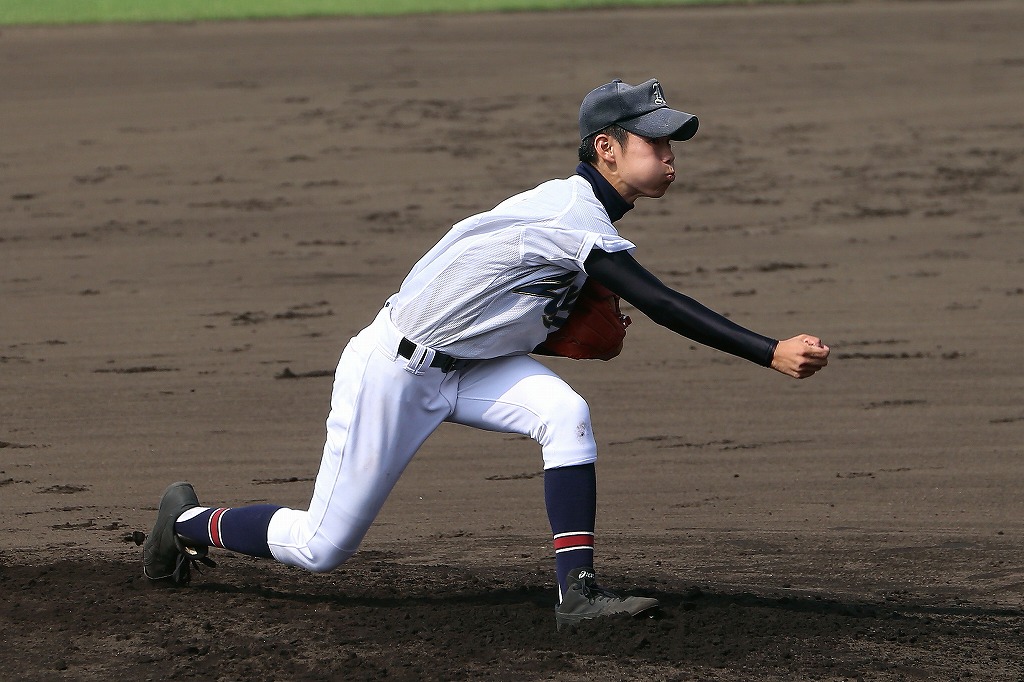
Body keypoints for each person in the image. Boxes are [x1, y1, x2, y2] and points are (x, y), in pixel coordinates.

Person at [143, 78, 829, 630]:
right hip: (394, 372)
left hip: (470, 365)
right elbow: (661, 301)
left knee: (564, 414)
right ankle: (185, 523)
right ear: (606, 148)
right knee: (323, 547)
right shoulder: (571, 216)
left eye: (673, 145)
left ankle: (578, 595)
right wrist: (768, 350)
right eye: (656, 143)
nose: (671, 157)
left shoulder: (576, 218)